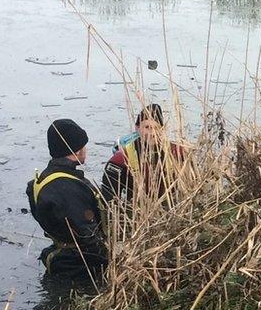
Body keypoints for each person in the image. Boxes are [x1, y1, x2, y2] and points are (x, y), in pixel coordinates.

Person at [26, 119, 108, 280]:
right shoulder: (68, 188)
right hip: (79, 267)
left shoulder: (42, 180)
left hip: (61, 260)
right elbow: (88, 239)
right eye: (84, 145)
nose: (86, 149)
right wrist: (114, 261)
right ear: (77, 150)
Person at [102, 104, 185, 204]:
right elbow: (109, 197)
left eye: (156, 128)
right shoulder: (120, 159)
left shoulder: (178, 154)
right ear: (137, 128)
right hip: (137, 212)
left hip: (173, 209)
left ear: (162, 129)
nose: (152, 133)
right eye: (147, 127)